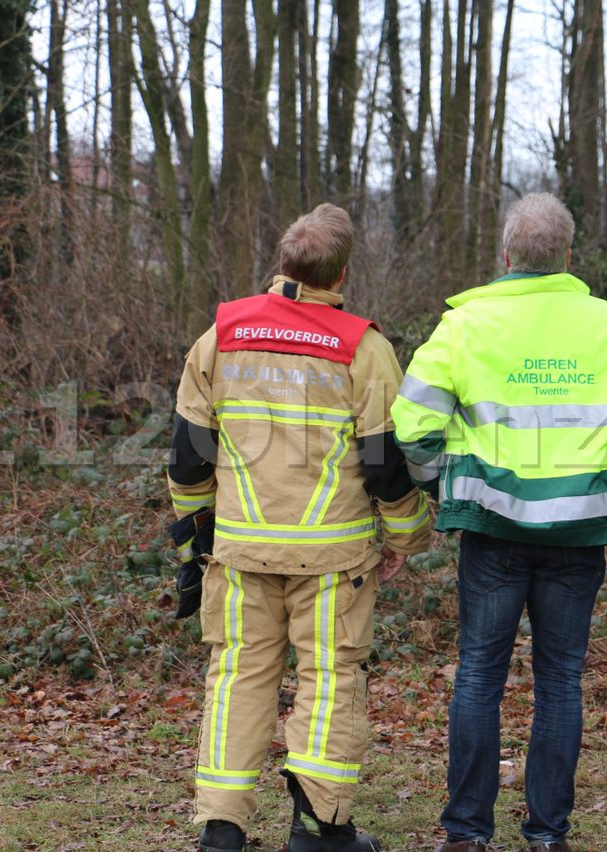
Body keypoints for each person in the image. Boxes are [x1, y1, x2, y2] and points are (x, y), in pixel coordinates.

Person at [390, 193, 607, 852]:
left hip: (493, 531)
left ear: (505, 256)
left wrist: (445, 483)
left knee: (477, 676)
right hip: (580, 534)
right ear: (568, 257)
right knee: (559, 679)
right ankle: (547, 835)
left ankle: (466, 833)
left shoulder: (466, 326)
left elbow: (411, 426)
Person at [168, 203, 431, 852]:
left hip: (239, 553)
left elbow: (187, 456)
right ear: (340, 274)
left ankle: (222, 830)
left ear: (282, 265)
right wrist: (408, 535)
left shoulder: (219, 337)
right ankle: (319, 831)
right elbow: (385, 463)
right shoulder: (363, 349)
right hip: (333, 563)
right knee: (331, 683)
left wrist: (196, 538)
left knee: (237, 680)